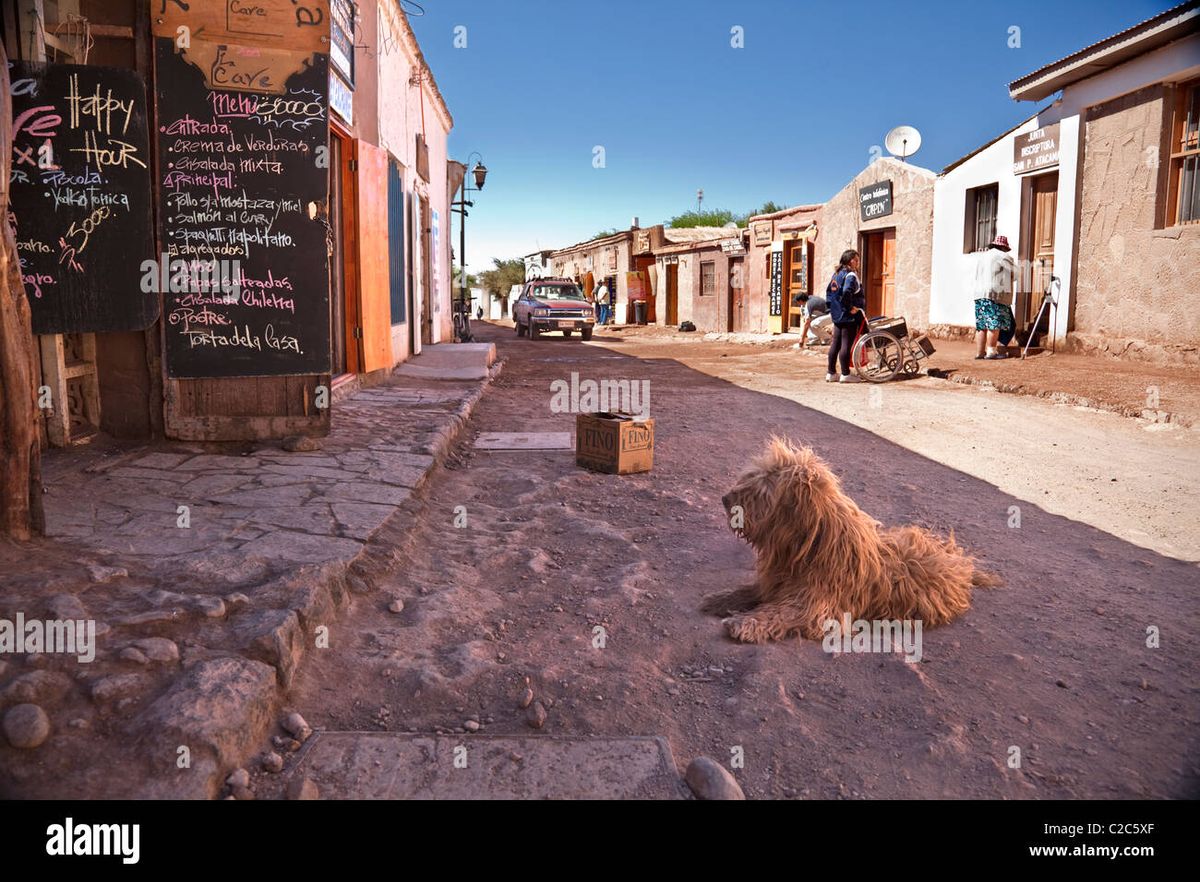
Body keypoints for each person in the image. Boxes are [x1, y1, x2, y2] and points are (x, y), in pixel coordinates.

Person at [973, 234, 1016, 359]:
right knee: (994, 325)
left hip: (979, 294)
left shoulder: (982, 257)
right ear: (1004, 247)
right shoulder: (1005, 257)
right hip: (995, 295)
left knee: (981, 326)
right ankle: (991, 352)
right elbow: (1012, 276)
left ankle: (980, 353)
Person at [826, 250, 865, 383]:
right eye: (856, 260)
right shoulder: (850, 275)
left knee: (835, 344)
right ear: (850, 261)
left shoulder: (836, 274)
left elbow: (829, 293)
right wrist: (850, 308)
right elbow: (847, 291)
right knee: (845, 345)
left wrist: (832, 309)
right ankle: (845, 374)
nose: (858, 263)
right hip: (848, 315)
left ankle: (831, 373)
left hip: (837, 314)